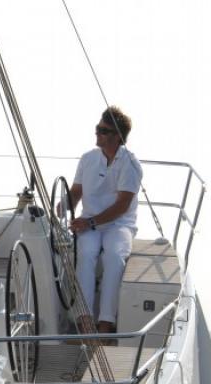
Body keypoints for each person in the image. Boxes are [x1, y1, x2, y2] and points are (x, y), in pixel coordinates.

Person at [68, 106, 143, 333]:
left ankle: (106, 323)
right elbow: (76, 192)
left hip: (119, 224)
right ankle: (85, 320)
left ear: (118, 136)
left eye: (103, 130)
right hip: (90, 223)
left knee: (113, 257)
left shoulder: (130, 164)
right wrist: (62, 208)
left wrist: (90, 222)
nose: (97, 133)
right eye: (97, 128)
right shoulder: (88, 159)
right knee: (86, 254)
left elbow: (122, 205)